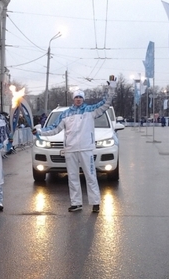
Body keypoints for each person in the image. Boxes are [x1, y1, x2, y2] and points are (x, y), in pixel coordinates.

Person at [33, 76, 117, 213]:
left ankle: (95, 203)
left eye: (80, 97)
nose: (78, 99)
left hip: (86, 149)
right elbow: (54, 128)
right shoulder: (66, 114)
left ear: (83, 99)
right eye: (76, 97)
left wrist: (111, 88)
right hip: (70, 149)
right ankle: (76, 203)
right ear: (73, 99)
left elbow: (105, 103)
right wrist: (40, 131)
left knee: (90, 176)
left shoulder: (91, 110)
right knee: (72, 177)